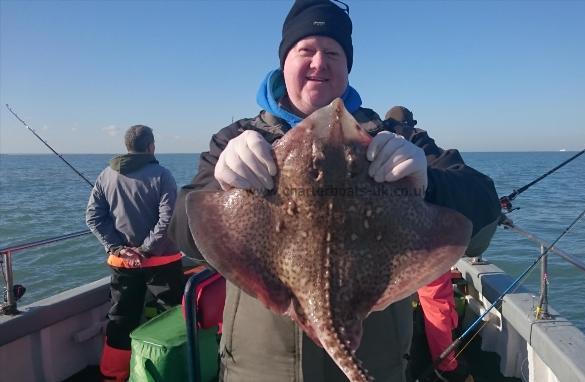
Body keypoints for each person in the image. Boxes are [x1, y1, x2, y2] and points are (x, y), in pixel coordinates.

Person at [169, 1, 501, 381]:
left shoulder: (392, 139)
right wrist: (221, 184)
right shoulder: (239, 141)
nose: (318, 63)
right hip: (260, 369)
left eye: (332, 53)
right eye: (305, 50)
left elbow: (484, 212)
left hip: (377, 361)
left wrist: (430, 182)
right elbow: (180, 232)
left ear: (347, 66)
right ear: (284, 61)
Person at [385, 107, 490, 382]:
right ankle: (446, 366)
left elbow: (468, 183)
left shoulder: (387, 139)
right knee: (437, 303)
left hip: (395, 249)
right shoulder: (415, 141)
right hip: (418, 245)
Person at [86, 125, 184, 381]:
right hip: (162, 262)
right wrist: (145, 249)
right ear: (151, 146)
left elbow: (94, 218)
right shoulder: (162, 175)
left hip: (122, 264)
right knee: (169, 316)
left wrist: (118, 248)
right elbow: (168, 219)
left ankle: (113, 374)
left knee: (121, 317)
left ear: (127, 146)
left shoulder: (105, 175)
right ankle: (163, 372)